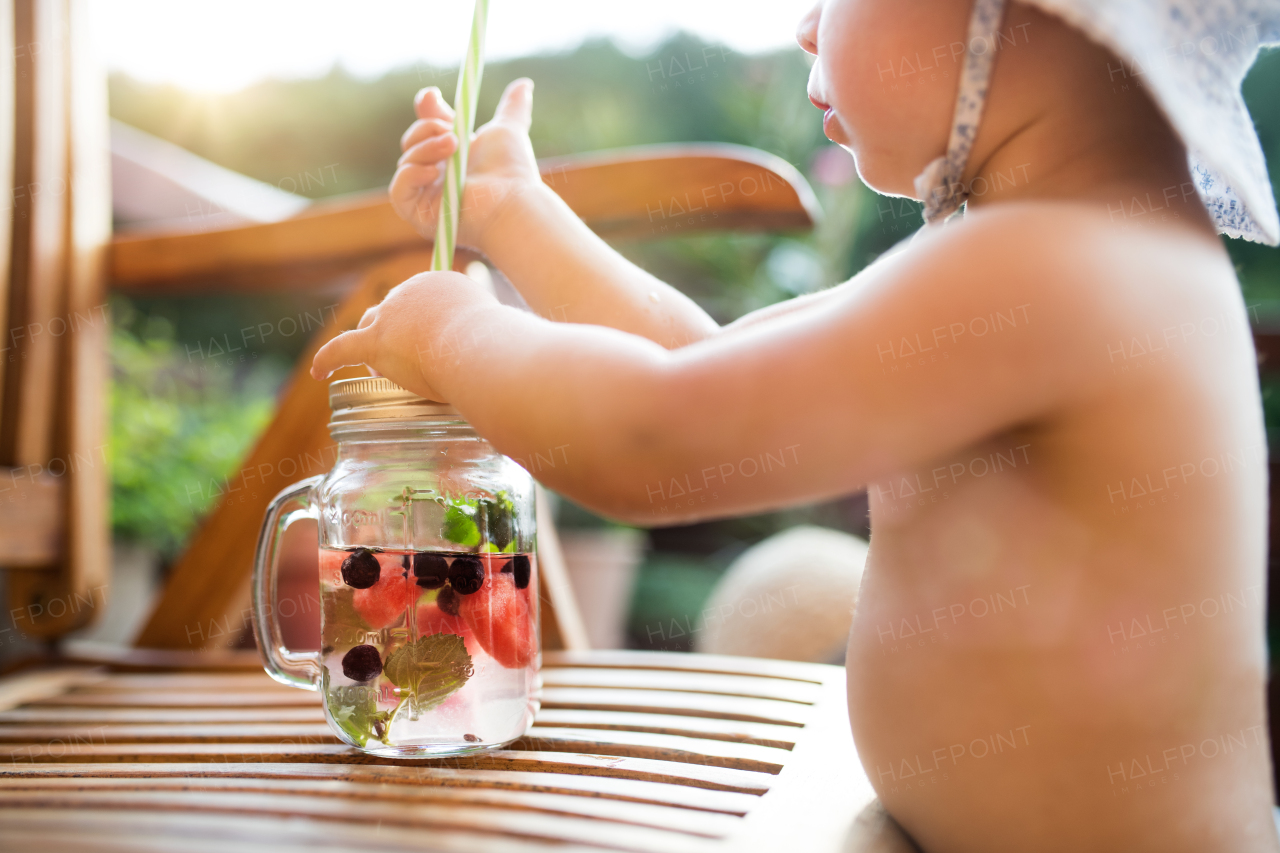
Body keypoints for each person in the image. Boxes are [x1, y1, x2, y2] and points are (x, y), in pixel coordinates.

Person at [312, 1, 1280, 849]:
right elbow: (707, 370)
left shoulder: (1066, 261)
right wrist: (515, 214)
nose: (803, 23)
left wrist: (454, 330)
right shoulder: (1039, 239)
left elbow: (663, 441)